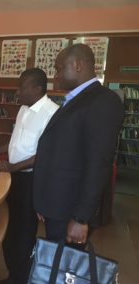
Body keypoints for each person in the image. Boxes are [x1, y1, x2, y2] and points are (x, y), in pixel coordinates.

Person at [33, 44, 124, 249]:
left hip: (70, 211)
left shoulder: (103, 101)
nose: (56, 75)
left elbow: (99, 164)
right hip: (57, 206)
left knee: (63, 270)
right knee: (54, 264)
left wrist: (81, 218)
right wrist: (43, 199)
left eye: (59, 68)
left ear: (78, 64)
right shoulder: (75, 100)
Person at [0, 68, 59, 284]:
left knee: (23, 232)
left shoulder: (52, 113)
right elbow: (17, 140)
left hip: (31, 180)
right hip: (14, 176)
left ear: (38, 88)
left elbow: (44, 156)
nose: (17, 91)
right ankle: (13, 274)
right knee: (9, 228)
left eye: (22, 87)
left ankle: (21, 278)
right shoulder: (23, 108)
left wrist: (13, 167)